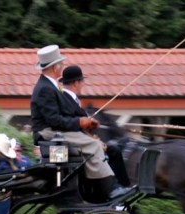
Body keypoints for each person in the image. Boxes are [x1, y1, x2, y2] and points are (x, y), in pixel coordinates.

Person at [30, 45, 130, 199]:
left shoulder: (51, 85)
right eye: (60, 64)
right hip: (47, 132)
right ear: (54, 66)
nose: (62, 66)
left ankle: (103, 186)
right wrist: (80, 122)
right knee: (93, 145)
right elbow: (54, 120)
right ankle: (108, 189)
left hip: (54, 129)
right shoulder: (45, 88)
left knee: (92, 142)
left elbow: (64, 113)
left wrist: (84, 122)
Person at [60, 65, 130, 187]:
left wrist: (90, 132)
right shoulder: (64, 99)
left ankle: (122, 185)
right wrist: (91, 138)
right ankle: (112, 187)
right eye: (82, 81)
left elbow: (78, 123)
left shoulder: (72, 99)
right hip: (70, 142)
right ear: (76, 83)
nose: (83, 84)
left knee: (114, 149)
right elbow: (70, 124)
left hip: (78, 139)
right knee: (109, 149)